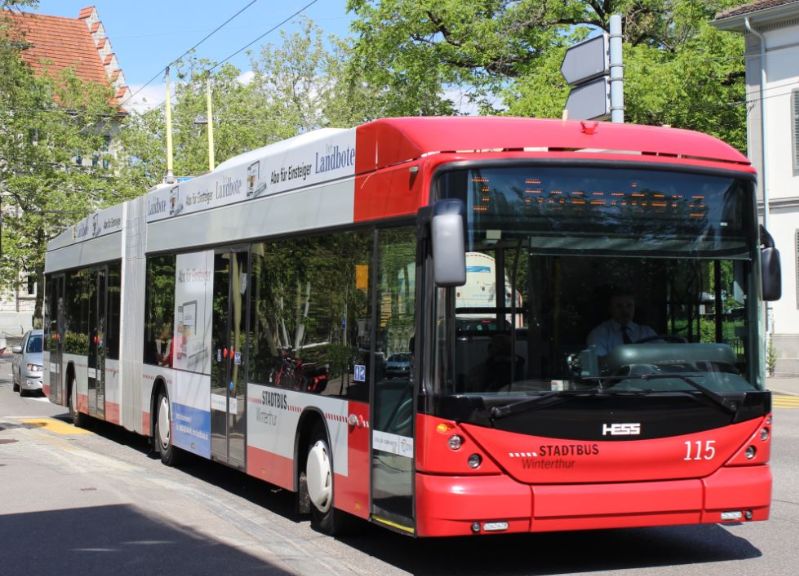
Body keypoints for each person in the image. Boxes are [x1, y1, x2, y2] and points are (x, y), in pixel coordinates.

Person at [587, 290, 656, 357]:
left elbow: (664, 355)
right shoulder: (599, 334)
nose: (625, 310)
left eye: (629, 305)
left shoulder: (647, 332)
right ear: (610, 309)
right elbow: (599, 363)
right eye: (619, 306)